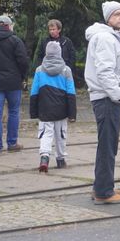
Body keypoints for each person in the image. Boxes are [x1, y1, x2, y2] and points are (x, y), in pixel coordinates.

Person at [85, 1, 120, 204]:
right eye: (116, 14)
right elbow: (105, 71)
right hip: (106, 98)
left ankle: (102, 185)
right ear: (108, 18)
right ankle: (104, 191)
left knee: (106, 144)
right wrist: (117, 95)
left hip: (104, 97)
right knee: (108, 145)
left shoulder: (109, 37)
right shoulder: (106, 38)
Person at [0, 15, 29, 154]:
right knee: (14, 111)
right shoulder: (15, 40)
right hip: (14, 82)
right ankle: (12, 143)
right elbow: (23, 61)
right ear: (9, 26)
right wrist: (22, 77)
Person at [30, 41, 77, 172]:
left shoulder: (39, 70)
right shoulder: (66, 70)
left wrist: (34, 112)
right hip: (61, 110)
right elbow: (71, 92)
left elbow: (34, 92)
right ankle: (61, 159)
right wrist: (72, 114)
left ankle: (44, 157)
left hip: (44, 109)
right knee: (61, 134)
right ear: (59, 53)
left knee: (46, 133)